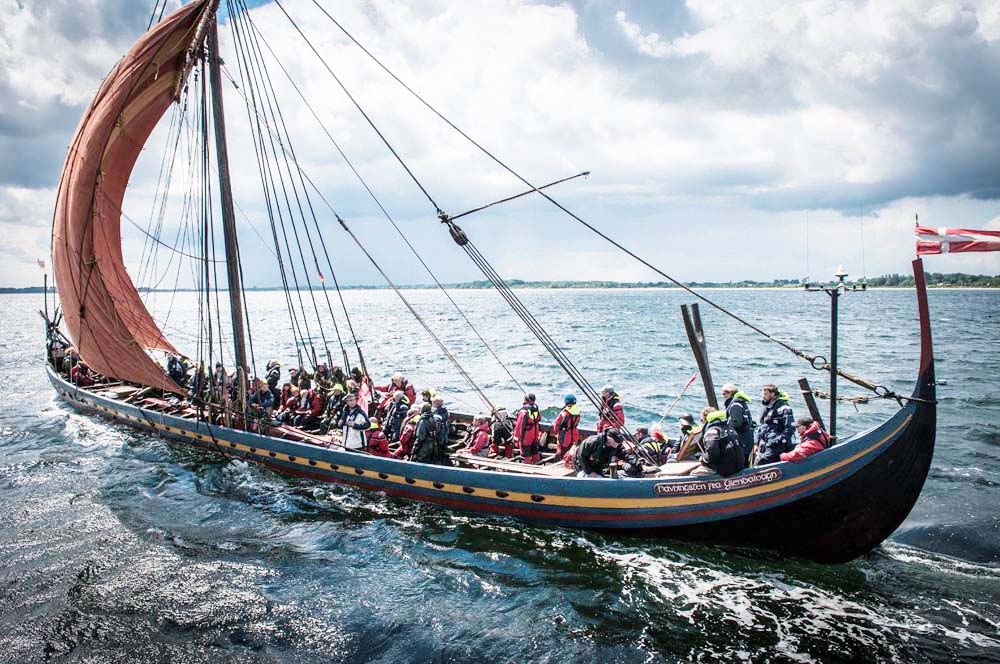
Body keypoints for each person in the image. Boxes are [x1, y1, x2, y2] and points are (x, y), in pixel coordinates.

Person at [690, 409, 745, 477]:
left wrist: (703, 459)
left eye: (701, 420)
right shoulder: (730, 428)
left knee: (693, 473)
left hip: (724, 470)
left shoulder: (712, 431)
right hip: (738, 467)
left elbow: (713, 455)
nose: (701, 423)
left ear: (706, 420)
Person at [754, 384, 795, 465]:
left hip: (776, 446)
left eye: (765, 394)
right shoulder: (767, 407)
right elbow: (762, 426)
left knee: (760, 463)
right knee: (756, 462)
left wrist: (774, 442)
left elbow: (790, 429)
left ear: (772, 394)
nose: (763, 396)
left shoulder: (784, 408)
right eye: (763, 394)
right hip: (765, 444)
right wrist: (756, 443)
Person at [722, 383, 755, 463]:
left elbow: (736, 422)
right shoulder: (739, 402)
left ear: (731, 393)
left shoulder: (735, 405)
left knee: (741, 458)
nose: (723, 395)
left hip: (743, 438)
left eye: (725, 393)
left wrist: (725, 424)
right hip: (747, 436)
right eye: (723, 393)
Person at [513, 393, 542, 464]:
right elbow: (538, 419)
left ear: (526, 400)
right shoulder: (536, 410)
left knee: (525, 454)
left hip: (526, 436)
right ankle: (538, 466)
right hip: (534, 434)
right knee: (535, 452)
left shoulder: (523, 411)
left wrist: (516, 439)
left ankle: (527, 470)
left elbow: (519, 427)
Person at [552, 394, 581, 461]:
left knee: (561, 452)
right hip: (574, 434)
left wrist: (556, 433)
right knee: (571, 452)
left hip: (565, 436)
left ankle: (560, 464)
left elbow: (556, 424)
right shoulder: (577, 412)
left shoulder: (564, 413)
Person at [431, 396, 451, 465]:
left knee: (438, 446)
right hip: (445, 430)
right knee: (443, 444)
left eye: (432, 402)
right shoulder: (445, 410)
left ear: (435, 404)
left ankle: (439, 460)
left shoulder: (437, 413)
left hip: (440, 433)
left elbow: (437, 425)